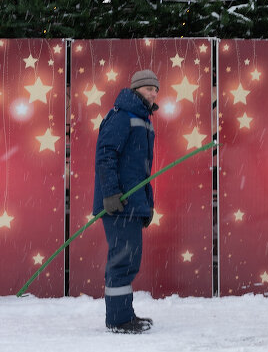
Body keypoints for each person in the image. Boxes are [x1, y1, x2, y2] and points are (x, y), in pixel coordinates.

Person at [93, 68, 160, 334]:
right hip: (118, 203)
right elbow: (106, 155)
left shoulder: (143, 119)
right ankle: (118, 320)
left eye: (155, 90)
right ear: (135, 90)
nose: (153, 93)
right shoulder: (121, 117)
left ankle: (124, 313)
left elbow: (142, 170)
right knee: (122, 260)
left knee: (129, 260)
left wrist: (147, 203)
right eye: (148, 89)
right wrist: (110, 194)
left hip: (133, 203)